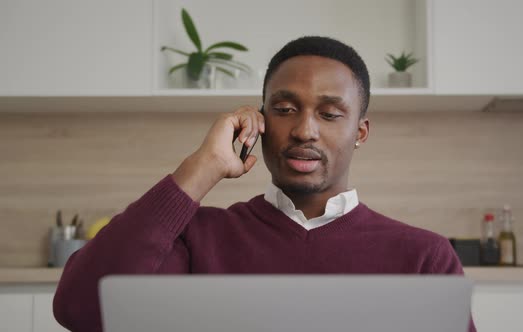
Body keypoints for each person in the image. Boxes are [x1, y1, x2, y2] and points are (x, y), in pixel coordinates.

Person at [53, 36, 476, 332]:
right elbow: (81, 310)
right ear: (260, 121)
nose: (305, 130)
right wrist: (202, 167)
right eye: (285, 108)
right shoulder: (199, 239)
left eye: (330, 113)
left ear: (360, 132)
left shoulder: (424, 257)